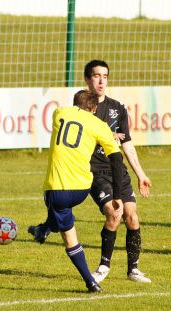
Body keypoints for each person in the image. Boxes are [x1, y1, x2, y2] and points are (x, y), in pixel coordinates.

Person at [29, 60, 152, 284]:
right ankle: (104, 266)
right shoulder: (82, 109)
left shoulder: (118, 108)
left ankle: (133, 269)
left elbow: (128, 145)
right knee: (114, 214)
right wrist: (105, 136)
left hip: (118, 172)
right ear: (87, 79)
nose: (101, 80)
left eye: (105, 76)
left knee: (132, 217)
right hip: (95, 172)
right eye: (96, 76)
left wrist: (141, 174)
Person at [40, 89, 123, 293]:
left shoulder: (59, 113)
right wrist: (118, 195)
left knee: (69, 235)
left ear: (75, 103)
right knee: (60, 213)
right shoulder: (100, 125)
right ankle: (42, 229)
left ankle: (90, 281)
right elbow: (117, 160)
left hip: (57, 188)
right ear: (94, 108)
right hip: (83, 189)